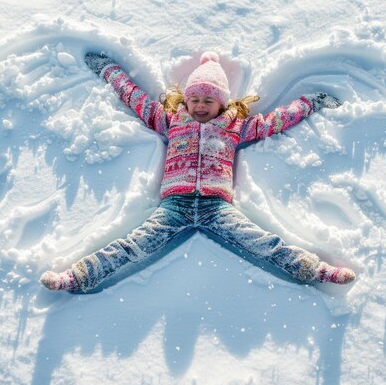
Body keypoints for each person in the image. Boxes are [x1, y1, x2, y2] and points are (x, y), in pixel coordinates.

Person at [40, 51, 356, 292]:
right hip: (174, 206)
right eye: (194, 99)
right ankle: (77, 276)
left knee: (261, 242)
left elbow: (276, 120)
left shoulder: (235, 127)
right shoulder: (170, 120)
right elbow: (133, 97)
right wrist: (109, 71)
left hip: (216, 208)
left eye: (208, 100)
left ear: (221, 104)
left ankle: (316, 270)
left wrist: (309, 103)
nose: (200, 106)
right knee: (134, 246)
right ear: (185, 100)